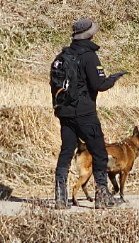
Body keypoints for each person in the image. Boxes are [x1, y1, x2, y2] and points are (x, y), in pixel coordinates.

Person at [52, 18, 127, 209]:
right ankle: (102, 197)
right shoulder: (89, 56)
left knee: (67, 151)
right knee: (99, 153)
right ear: (89, 35)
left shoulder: (63, 55)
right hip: (84, 113)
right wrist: (113, 79)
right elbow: (99, 85)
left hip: (64, 111)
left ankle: (60, 198)